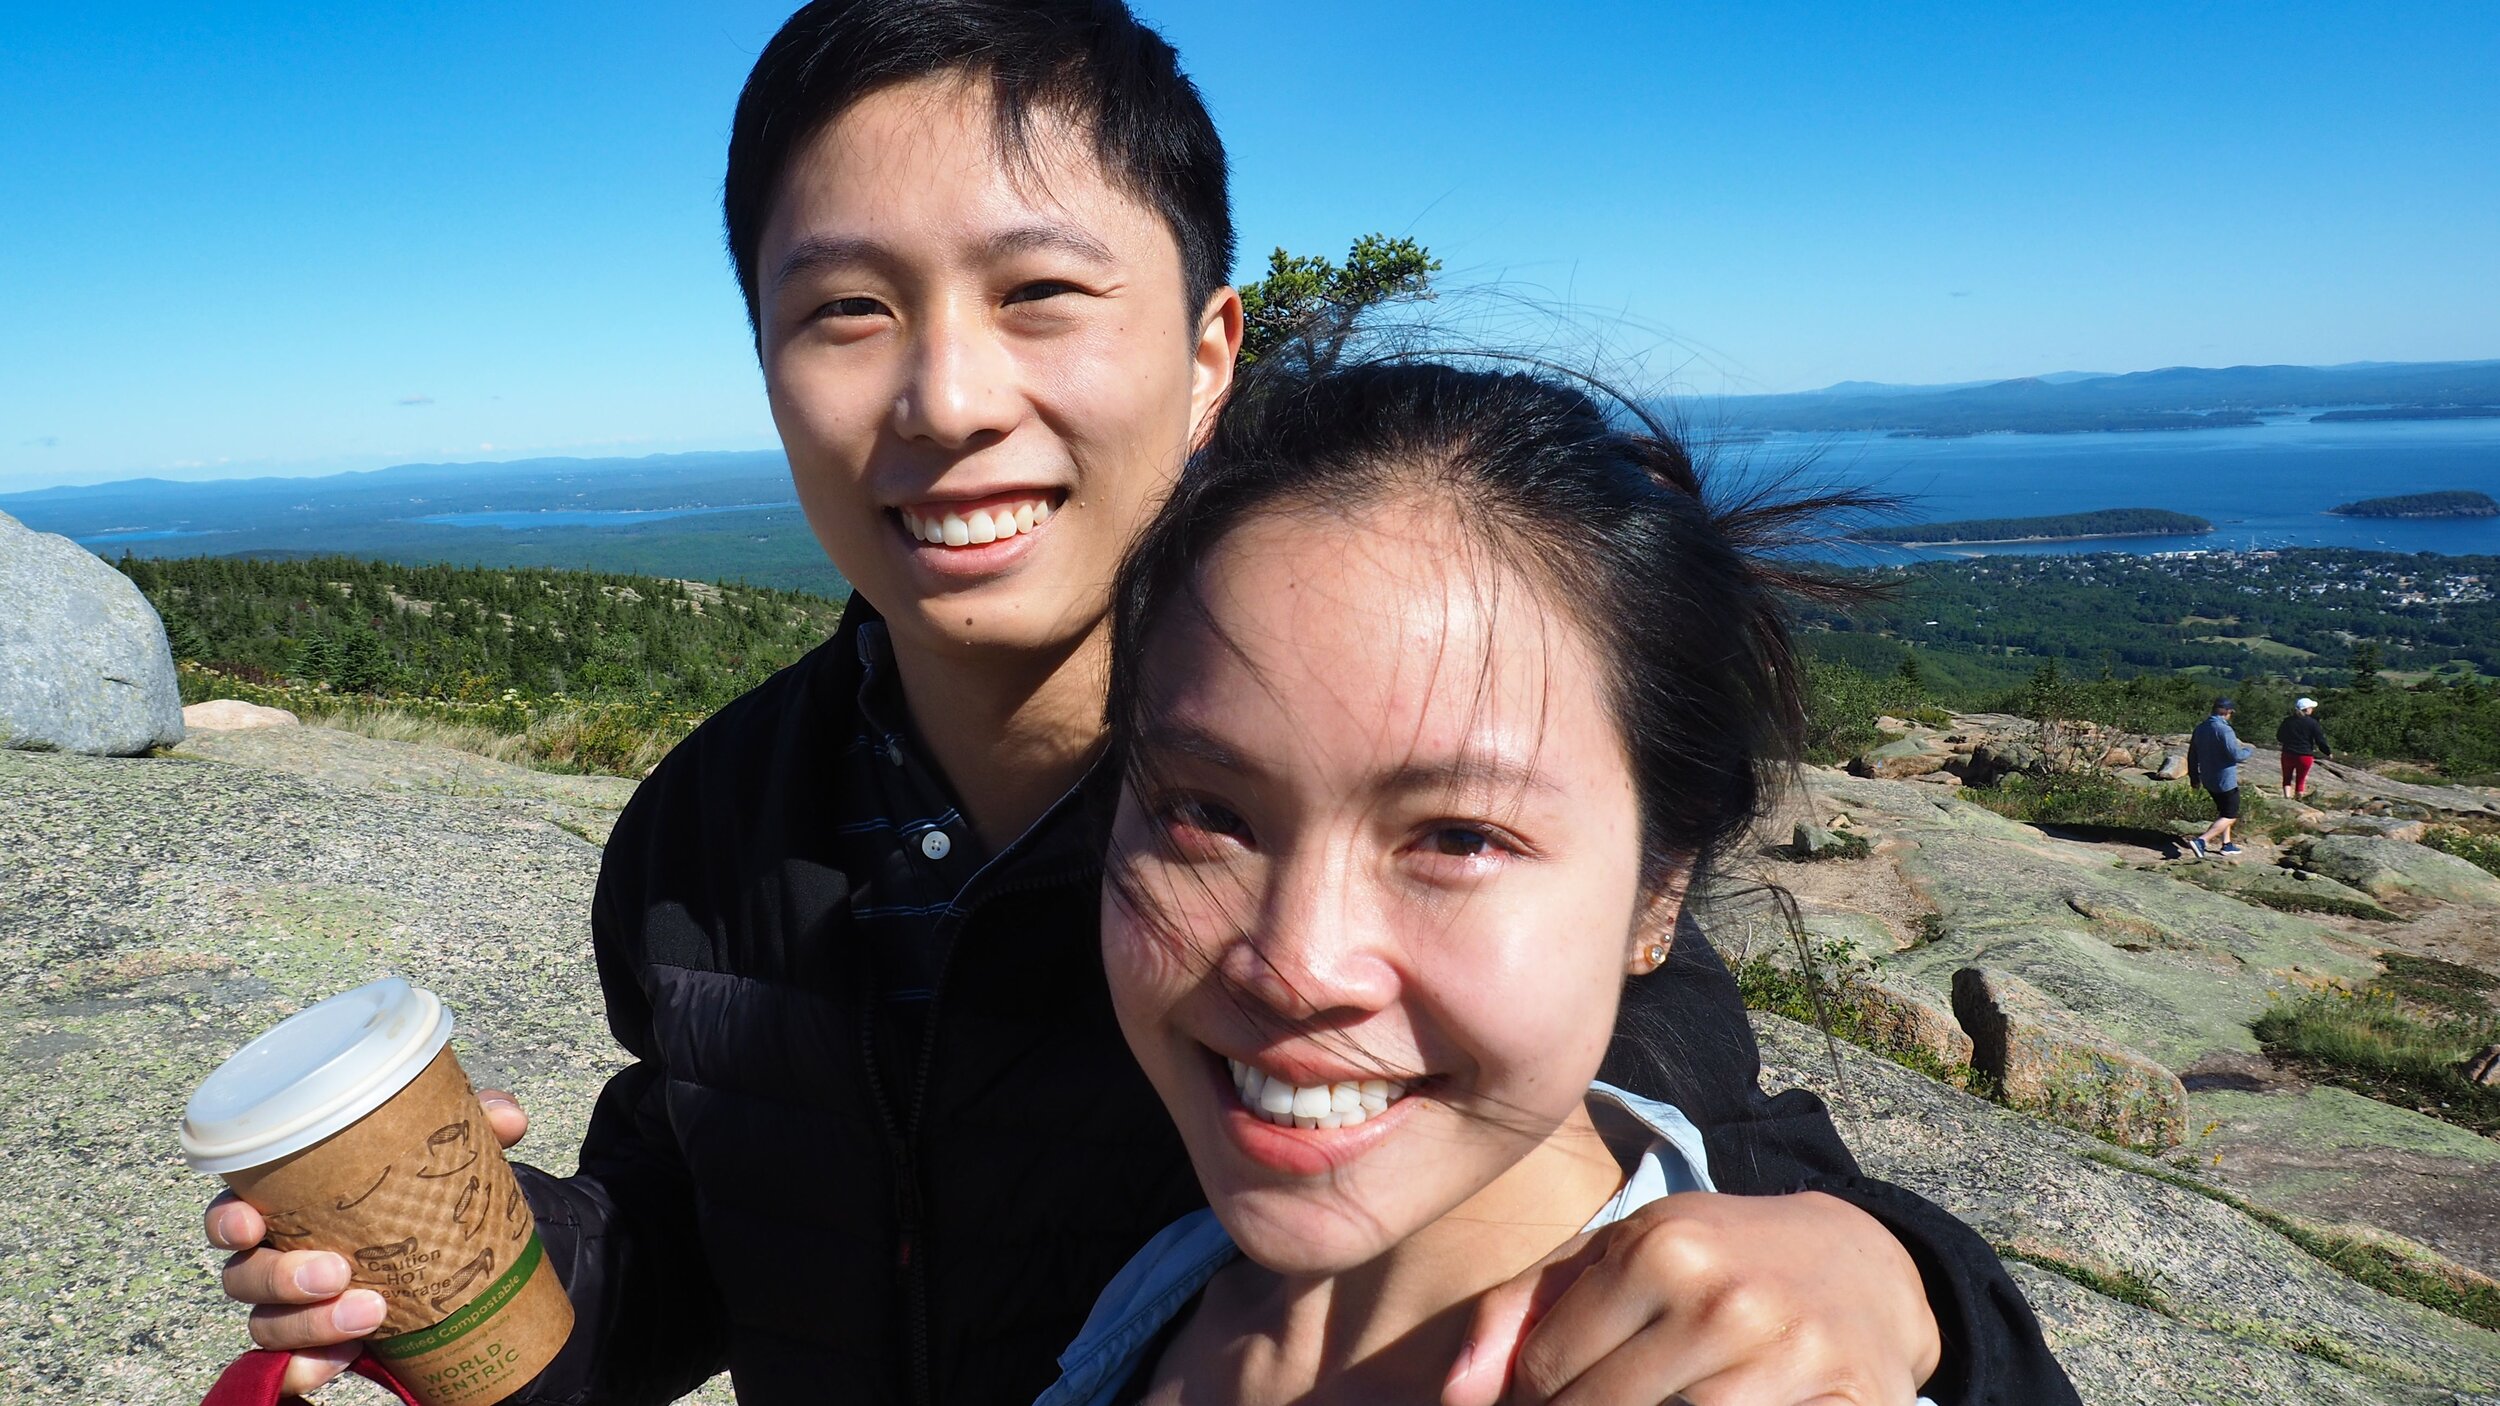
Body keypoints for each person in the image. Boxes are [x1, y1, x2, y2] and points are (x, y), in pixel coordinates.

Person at [201, 4, 2073, 1403]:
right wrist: (502, 1271)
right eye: (844, 310)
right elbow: (706, 1216)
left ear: (1205, 356)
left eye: (1039, 292)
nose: (942, 398)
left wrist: (1900, 1278)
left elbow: (1652, 1146)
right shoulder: (717, 822)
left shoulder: (1344, 832)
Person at [1041, 358, 2068, 1404]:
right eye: (1206, 813)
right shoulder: (1163, 1282)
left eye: (1458, 836)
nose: (1295, 967)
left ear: (1658, 891)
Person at [2187, 697, 2254, 858]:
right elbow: (2235, 754)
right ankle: (2202, 841)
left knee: (2224, 811)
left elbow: (2192, 755)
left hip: (2208, 778)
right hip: (2225, 779)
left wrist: (2194, 777)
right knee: (2230, 814)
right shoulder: (2224, 730)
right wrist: (2248, 751)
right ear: (2228, 712)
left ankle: (2227, 844)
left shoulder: (2201, 728)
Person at [2277, 696, 2331, 800]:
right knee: (2301, 778)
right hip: (2305, 756)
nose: (2312, 709)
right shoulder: (2313, 723)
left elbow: (2280, 737)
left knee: (2287, 778)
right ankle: (2299, 798)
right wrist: (2327, 752)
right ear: (2306, 709)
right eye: (2311, 707)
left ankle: (2287, 798)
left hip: (2288, 753)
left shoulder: (2287, 721)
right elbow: (2320, 740)